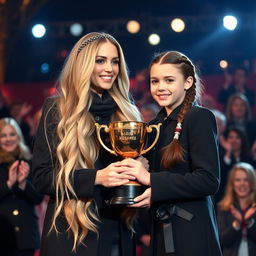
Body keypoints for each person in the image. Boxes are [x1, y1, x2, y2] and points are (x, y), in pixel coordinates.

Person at [32, 32, 143, 256]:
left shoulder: (128, 111)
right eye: (100, 61)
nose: (109, 69)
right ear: (83, 64)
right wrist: (97, 177)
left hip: (118, 232)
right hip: (72, 236)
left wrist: (142, 168)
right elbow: (42, 177)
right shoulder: (59, 109)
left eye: (115, 61)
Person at [120, 51, 222, 255]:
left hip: (191, 233)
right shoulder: (155, 125)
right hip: (160, 231)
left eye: (169, 80)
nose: (161, 87)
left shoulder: (199, 117)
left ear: (187, 82)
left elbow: (209, 180)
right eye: (155, 81)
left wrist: (151, 180)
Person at [0, 117, 43, 256]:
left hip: (25, 237)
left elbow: (38, 198)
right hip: (3, 235)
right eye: (3, 135)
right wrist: (9, 184)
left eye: (12, 134)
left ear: (18, 136)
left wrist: (23, 183)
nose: (8, 139)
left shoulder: (30, 161)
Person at [217, 162, 256, 256]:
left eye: (246, 180)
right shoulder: (223, 207)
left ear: (252, 182)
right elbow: (222, 240)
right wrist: (237, 223)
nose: (242, 184)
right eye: (238, 180)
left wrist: (249, 222)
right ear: (232, 184)